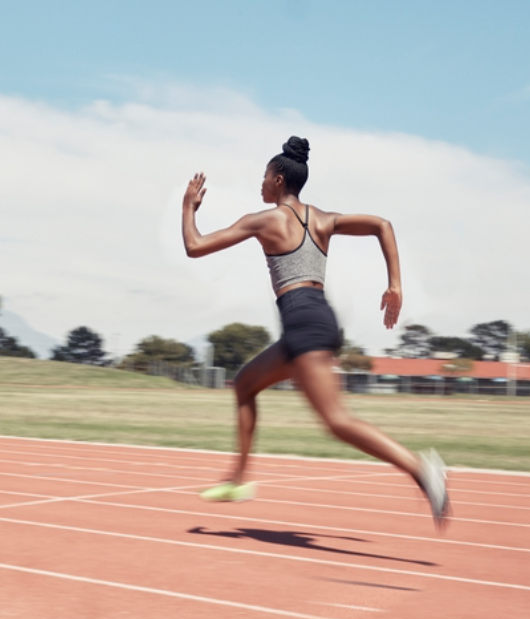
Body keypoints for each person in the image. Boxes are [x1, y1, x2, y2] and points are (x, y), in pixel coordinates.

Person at [182, 136, 450, 528]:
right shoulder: (323, 219)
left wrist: (188, 207)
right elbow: (382, 225)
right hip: (312, 321)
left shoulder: (264, 220)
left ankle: (422, 470)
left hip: (304, 325)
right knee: (244, 385)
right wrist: (395, 284)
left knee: (337, 421)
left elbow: (195, 245)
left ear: (277, 180)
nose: (261, 183)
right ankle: (238, 479)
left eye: (263, 176)